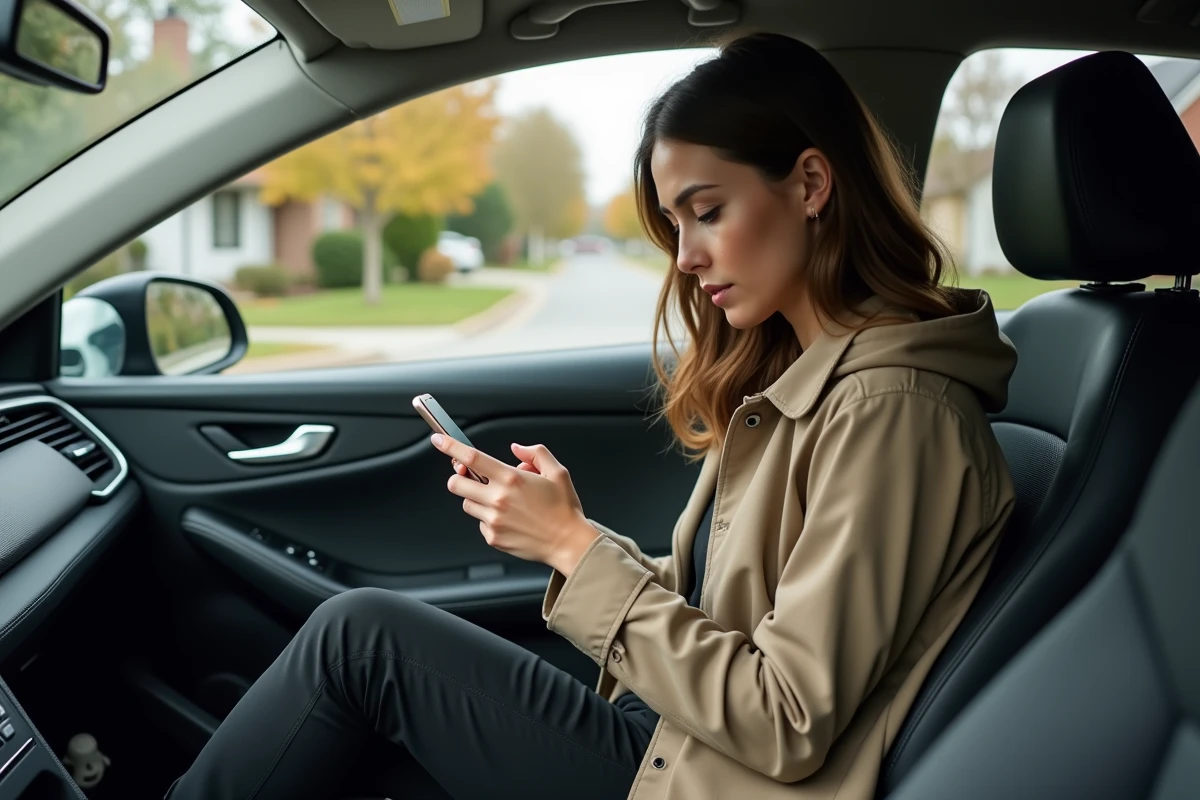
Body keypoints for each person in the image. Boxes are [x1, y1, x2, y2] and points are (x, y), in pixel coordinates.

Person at [166, 31, 1017, 800]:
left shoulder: (891, 411)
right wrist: (567, 539)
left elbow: (784, 719)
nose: (686, 257)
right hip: (677, 740)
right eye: (675, 223)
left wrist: (573, 548)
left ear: (810, 184)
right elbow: (720, 609)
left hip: (711, 776)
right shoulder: (807, 379)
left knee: (360, 642)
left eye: (708, 212)